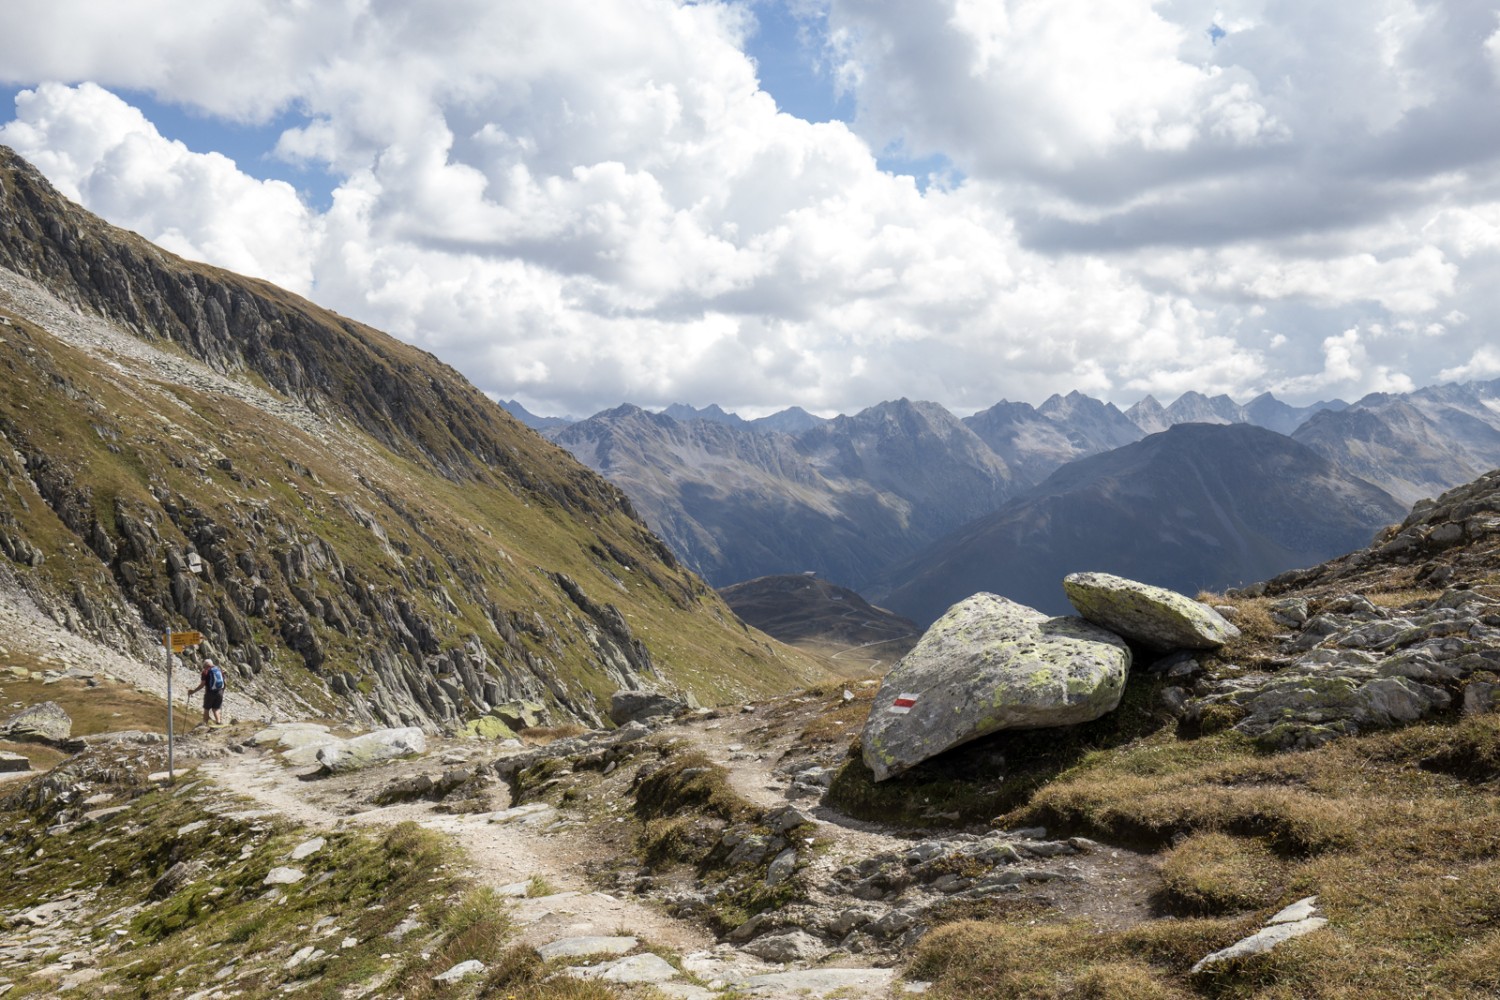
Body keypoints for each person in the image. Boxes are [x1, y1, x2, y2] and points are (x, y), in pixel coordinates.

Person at [188, 657, 226, 726]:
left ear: (205, 665)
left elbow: (202, 684)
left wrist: (193, 691)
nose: (204, 667)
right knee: (216, 709)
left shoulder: (205, 671)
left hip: (210, 693)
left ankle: (204, 723)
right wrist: (222, 691)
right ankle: (218, 722)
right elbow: (224, 681)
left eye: (204, 666)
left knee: (206, 708)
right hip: (220, 691)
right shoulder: (219, 669)